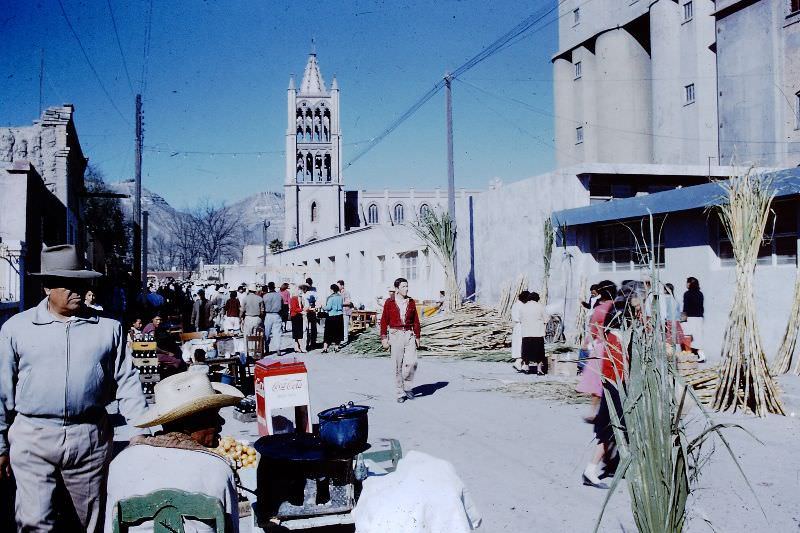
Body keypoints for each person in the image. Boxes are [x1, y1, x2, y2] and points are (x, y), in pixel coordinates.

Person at [0, 244, 148, 532]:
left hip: (88, 437)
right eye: (67, 284)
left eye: (81, 282)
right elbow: (1, 389)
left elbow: (127, 380)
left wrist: (141, 430)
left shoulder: (107, 328)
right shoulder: (17, 328)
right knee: (34, 522)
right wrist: (0, 443)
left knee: (88, 521)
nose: (77, 290)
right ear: (46, 287)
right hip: (33, 437)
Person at [105, 372, 243, 533]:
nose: (222, 422)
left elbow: (110, 526)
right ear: (189, 423)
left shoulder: (121, 463)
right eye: (213, 416)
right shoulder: (218, 468)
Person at [583, 281, 628, 489]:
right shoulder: (616, 339)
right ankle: (592, 470)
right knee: (611, 429)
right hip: (615, 389)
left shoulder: (615, 337)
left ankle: (597, 468)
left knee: (612, 430)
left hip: (613, 388)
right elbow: (618, 369)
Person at [576, 281, 616, 423]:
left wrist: (586, 343)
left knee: (597, 382)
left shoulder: (600, 309)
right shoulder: (619, 307)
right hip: (617, 347)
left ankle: (594, 412)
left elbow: (593, 330)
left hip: (601, 347)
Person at [380, 278, 422, 403]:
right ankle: (400, 392)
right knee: (397, 365)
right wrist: (384, 337)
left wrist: (418, 336)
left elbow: (416, 321)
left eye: (407, 286)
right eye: (403, 287)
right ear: (397, 289)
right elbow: (383, 321)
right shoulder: (389, 302)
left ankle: (408, 387)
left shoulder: (411, 301)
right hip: (395, 334)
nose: (406, 289)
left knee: (412, 363)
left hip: (409, 334)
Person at [519, 291, 548, 375]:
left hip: (526, 333)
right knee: (539, 352)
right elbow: (546, 319)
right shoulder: (540, 307)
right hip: (537, 333)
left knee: (526, 351)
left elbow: (520, 319)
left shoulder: (523, 307)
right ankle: (539, 370)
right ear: (537, 299)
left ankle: (526, 368)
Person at [682, 276, 705, 362]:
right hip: (699, 318)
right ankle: (701, 355)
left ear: (690, 283)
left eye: (687, 282)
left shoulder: (687, 294)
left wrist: (683, 319)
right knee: (698, 337)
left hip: (690, 318)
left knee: (687, 336)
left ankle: (688, 356)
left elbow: (685, 307)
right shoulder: (700, 293)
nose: (686, 284)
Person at [262, 282, 284, 356]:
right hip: (277, 314)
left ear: (268, 287)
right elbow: (283, 306)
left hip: (268, 315)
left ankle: (267, 348)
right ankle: (278, 349)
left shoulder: (265, 296)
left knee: (267, 333)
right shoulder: (279, 296)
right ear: (274, 287)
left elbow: (263, 307)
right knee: (277, 333)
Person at [511, 291, 530, 372]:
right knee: (522, 344)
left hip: (517, 326)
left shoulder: (515, 305)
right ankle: (518, 362)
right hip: (522, 326)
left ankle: (521, 364)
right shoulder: (522, 306)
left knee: (518, 344)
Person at [323, 284, 345, 353]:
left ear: (332, 289)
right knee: (338, 332)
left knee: (328, 332)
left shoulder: (330, 298)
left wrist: (322, 306)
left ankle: (325, 348)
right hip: (339, 316)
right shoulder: (340, 297)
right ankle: (336, 347)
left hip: (331, 316)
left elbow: (328, 308)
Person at [289, 286, 307, 353]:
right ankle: (302, 347)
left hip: (299, 316)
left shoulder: (301, 298)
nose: (301, 292)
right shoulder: (293, 298)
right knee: (298, 332)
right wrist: (302, 310)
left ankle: (296, 347)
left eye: (301, 290)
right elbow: (293, 308)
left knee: (297, 332)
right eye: (300, 290)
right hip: (295, 316)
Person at [301, 284, 318, 351]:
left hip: (308, 312)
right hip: (310, 311)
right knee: (312, 328)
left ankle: (309, 343)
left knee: (307, 328)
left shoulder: (306, 294)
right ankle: (312, 342)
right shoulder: (312, 293)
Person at [337, 280, 352, 344]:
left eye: (338, 285)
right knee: (341, 326)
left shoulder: (346, 292)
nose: (337, 287)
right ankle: (341, 339)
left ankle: (345, 340)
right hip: (341, 312)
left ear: (342, 286)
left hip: (346, 311)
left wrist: (339, 303)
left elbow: (348, 302)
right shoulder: (338, 293)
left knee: (345, 326)